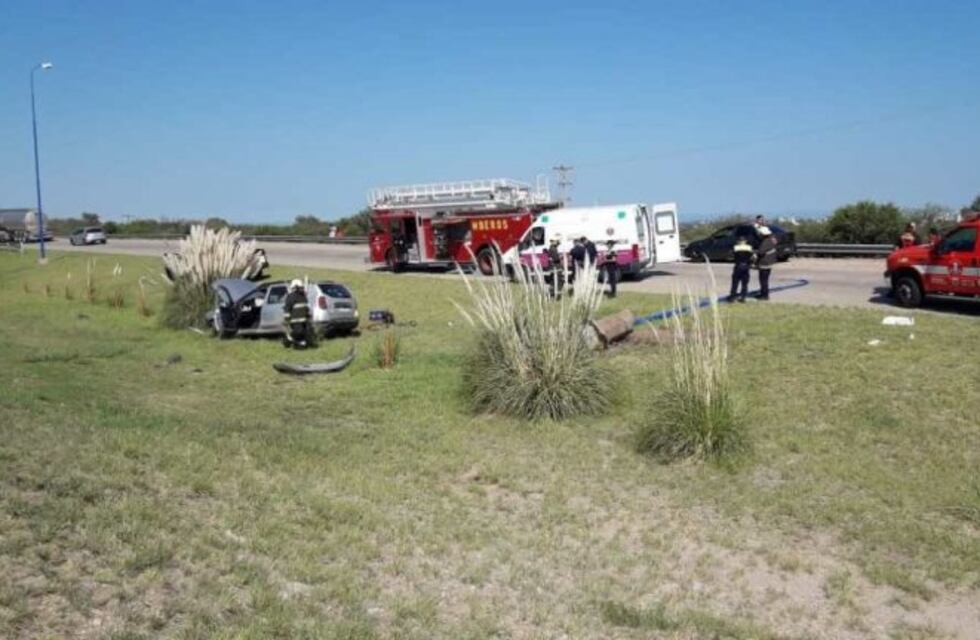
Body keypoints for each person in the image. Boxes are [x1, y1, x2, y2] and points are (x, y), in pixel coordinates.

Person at [282, 279, 313, 348]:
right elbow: (287, 308)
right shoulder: (291, 297)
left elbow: (306, 307)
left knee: (302, 337)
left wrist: (308, 315)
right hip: (295, 321)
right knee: (298, 332)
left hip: (303, 321)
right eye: (301, 287)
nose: (302, 289)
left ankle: (298, 344)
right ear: (296, 287)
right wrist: (287, 319)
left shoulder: (303, 296)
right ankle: (288, 340)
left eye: (302, 287)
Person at [755, 226, 778, 300]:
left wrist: (755, 253)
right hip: (769, 263)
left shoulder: (765, 242)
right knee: (765, 280)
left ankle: (764, 295)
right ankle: (763, 293)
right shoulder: (771, 240)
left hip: (764, 263)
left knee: (763, 281)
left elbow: (761, 252)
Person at [729, 235, 754, 303]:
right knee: (745, 284)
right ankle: (743, 297)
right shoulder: (749, 247)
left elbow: (731, 256)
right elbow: (753, 257)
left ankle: (732, 297)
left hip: (738, 266)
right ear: (745, 241)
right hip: (746, 266)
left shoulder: (735, 247)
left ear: (739, 241)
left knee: (735, 283)